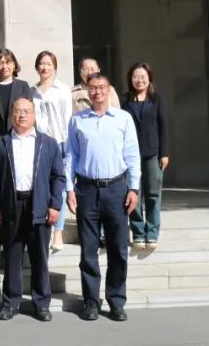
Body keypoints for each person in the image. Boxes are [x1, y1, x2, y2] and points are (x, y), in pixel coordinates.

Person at [65, 73, 141, 323]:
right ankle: (90, 301)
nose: (97, 92)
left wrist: (134, 188)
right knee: (88, 250)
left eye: (101, 87)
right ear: (87, 91)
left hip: (117, 189)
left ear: (109, 90)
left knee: (118, 249)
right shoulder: (77, 120)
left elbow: (132, 155)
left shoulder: (123, 118)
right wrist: (69, 189)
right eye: (92, 88)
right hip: (87, 190)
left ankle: (116, 301)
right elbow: (71, 156)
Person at [0, 97, 65, 322]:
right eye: (18, 111)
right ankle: (10, 303)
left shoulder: (48, 143)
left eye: (26, 111)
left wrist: (55, 205)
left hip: (39, 204)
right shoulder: (0, 143)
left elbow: (58, 177)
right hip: (11, 205)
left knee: (40, 257)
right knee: (12, 257)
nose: (22, 115)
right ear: (12, 114)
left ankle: (41, 303)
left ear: (34, 115)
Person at [123, 62, 170, 250]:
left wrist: (164, 153)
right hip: (130, 155)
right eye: (135, 76)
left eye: (143, 76)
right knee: (133, 193)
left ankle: (152, 233)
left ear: (149, 78)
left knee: (152, 194)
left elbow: (164, 128)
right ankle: (138, 233)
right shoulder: (125, 101)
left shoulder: (157, 100)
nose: (139, 80)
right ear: (130, 79)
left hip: (152, 153)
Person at [31, 51, 73, 252]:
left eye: (48, 64)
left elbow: (68, 119)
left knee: (59, 188)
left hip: (59, 142)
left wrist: (68, 146)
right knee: (42, 187)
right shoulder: (32, 91)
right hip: (39, 144)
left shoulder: (63, 90)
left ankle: (58, 232)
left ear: (55, 67)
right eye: (41, 63)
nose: (44, 67)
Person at [0, 49, 30, 139]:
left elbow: (30, 112)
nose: (4, 66)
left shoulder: (23, 86)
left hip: (19, 137)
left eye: (8, 62)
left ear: (14, 64)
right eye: (0, 63)